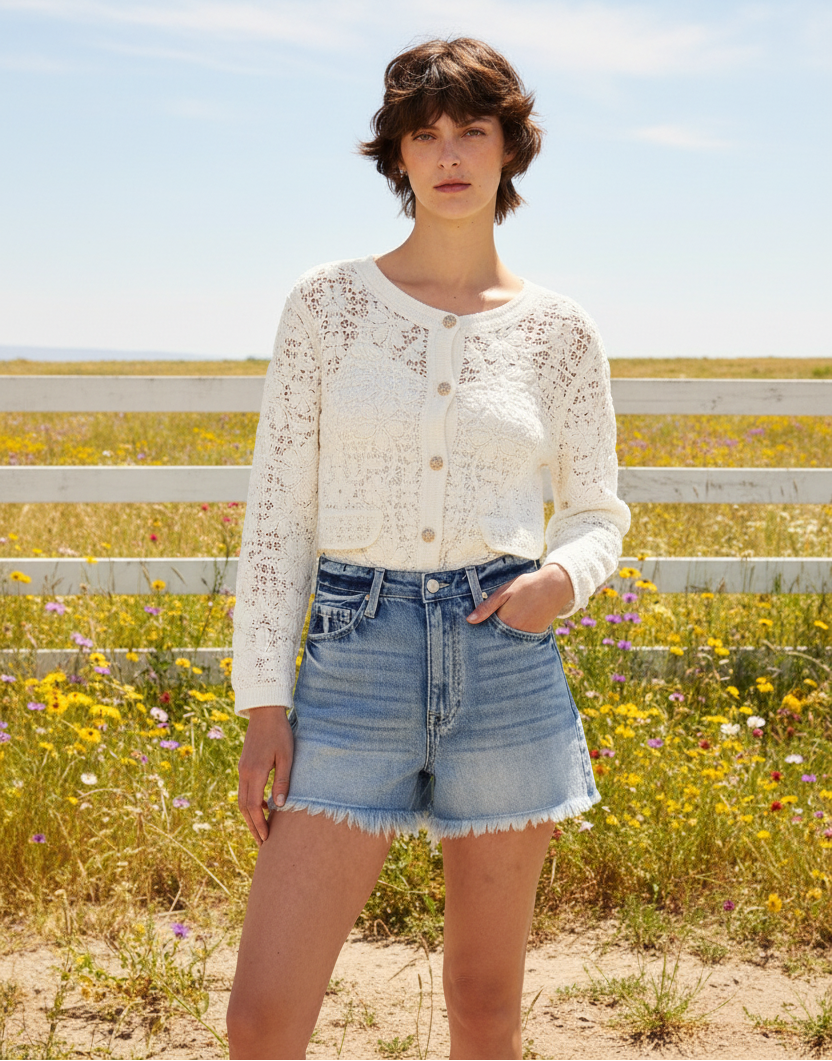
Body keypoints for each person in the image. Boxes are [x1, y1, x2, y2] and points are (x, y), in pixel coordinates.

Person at [225, 37, 630, 1060]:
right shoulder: (327, 305)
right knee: (262, 1018)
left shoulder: (560, 333)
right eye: (425, 134)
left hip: (504, 661)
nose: (449, 153)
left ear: (509, 151)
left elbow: (597, 510)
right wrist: (262, 702)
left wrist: (558, 580)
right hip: (353, 661)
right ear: (397, 157)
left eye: (472, 131)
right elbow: (277, 515)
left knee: (485, 1004)